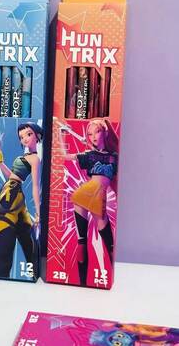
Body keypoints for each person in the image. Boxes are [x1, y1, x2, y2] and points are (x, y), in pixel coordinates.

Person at [58, 118, 118, 285]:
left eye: (97, 132)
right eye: (90, 134)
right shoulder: (88, 155)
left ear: (105, 132)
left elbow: (114, 181)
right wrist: (61, 134)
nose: (93, 137)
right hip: (84, 195)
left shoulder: (114, 156)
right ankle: (82, 282)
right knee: (82, 241)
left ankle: (109, 277)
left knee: (109, 243)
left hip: (96, 197)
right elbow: (64, 156)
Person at [0, 122, 42, 278]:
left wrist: (38, 213)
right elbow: (11, 175)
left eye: (29, 134)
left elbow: (35, 186)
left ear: (38, 136)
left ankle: (28, 272)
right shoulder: (25, 157)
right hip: (11, 191)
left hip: (13, 193)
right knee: (21, 233)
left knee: (20, 234)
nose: (24, 139)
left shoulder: (35, 159)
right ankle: (2, 271)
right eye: (21, 137)